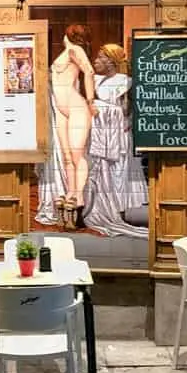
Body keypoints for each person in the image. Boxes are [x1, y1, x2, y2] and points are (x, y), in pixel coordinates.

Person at [83, 43, 147, 237]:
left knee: (118, 173)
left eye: (100, 57)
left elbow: (127, 111)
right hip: (102, 135)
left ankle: (118, 209)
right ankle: (100, 206)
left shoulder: (125, 82)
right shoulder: (96, 81)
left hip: (118, 136)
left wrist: (103, 109)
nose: (95, 61)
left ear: (111, 61)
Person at [50, 24, 97, 229]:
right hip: (61, 108)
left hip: (76, 107)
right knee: (68, 157)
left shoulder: (74, 50)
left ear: (67, 35)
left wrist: (90, 100)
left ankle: (78, 199)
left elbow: (89, 71)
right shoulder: (65, 52)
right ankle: (70, 196)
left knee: (78, 157)